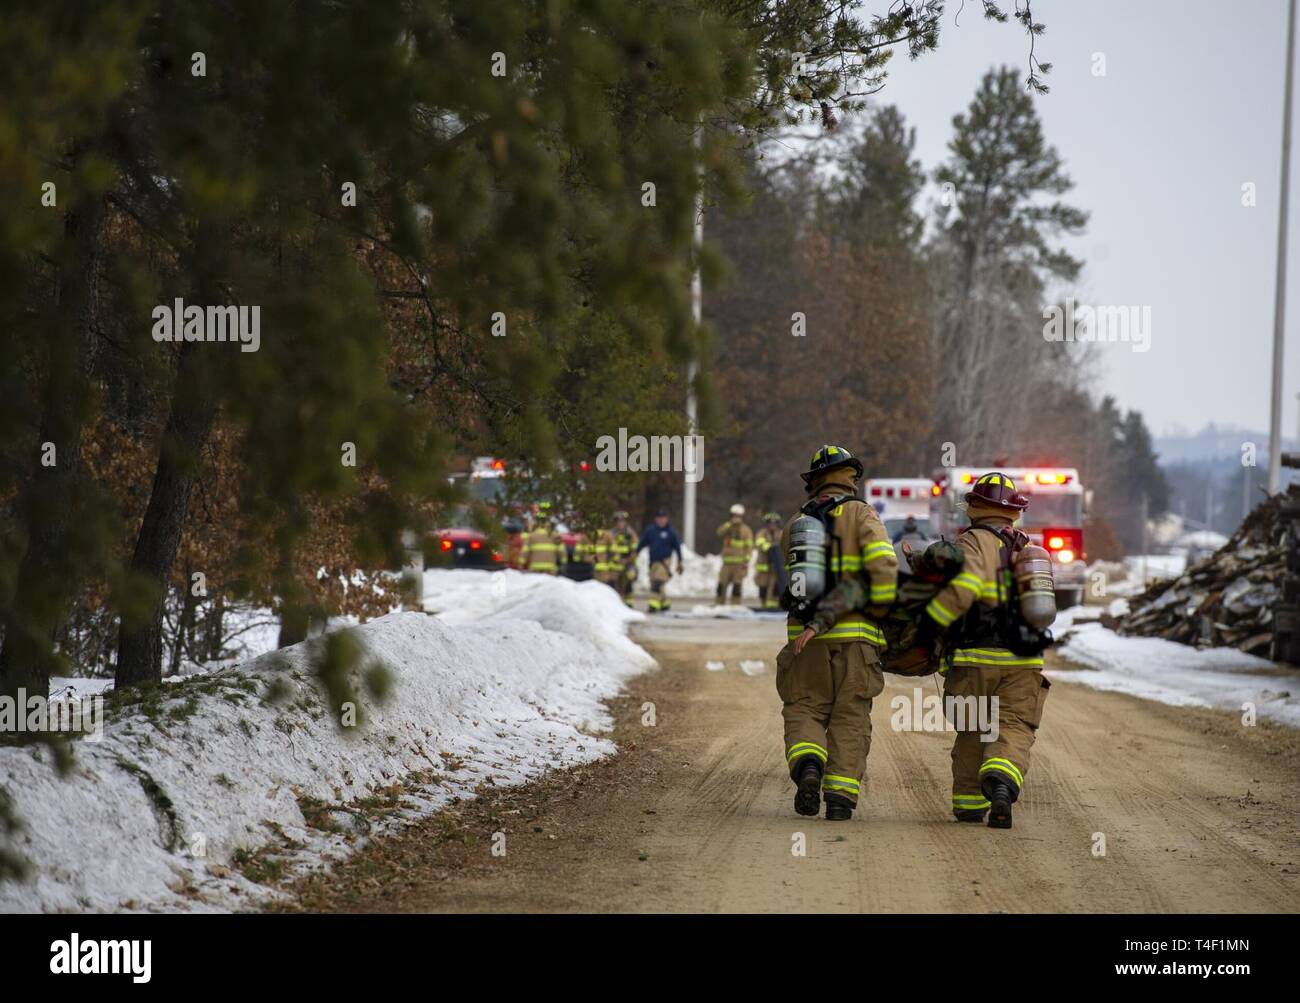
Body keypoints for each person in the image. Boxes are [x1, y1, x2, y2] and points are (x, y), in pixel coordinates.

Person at [917, 472, 1052, 830]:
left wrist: (931, 622)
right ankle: (1002, 783)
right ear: (1014, 512)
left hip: (976, 656)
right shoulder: (1030, 548)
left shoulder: (974, 541)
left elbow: (966, 588)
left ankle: (968, 804)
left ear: (975, 507)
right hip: (1025, 660)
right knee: (1013, 725)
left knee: (973, 729)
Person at [779, 445, 896, 821]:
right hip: (856, 640)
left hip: (804, 641)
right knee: (850, 715)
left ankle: (809, 765)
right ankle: (841, 799)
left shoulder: (795, 523)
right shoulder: (863, 514)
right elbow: (883, 569)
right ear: (851, 477)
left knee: (805, 708)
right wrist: (881, 611)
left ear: (813, 481)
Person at [637, 508, 683, 612]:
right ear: (656, 519)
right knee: (655, 583)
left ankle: (654, 605)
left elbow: (677, 548)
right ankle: (665, 603)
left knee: (657, 582)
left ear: (667, 519)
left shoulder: (671, 532)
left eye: (663, 518)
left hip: (665, 562)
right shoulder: (650, 531)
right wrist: (636, 553)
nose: (661, 520)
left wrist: (680, 561)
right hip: (653, 561)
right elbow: (642, 543)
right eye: (659, 518)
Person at [596, 510, 638, 606]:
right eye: (618, 521)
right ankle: (615, 603)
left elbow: (636, 550)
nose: (620, 524)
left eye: (622, 521)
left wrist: (628, 560)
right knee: (612, 583)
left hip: (628, 563)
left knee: (629, 579)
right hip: (614, 563)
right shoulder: (610, 534)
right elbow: (606, 550)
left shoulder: (631, 534)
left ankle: (629, 603)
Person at [715, 503, 753, 606]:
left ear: (742, 517)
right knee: (721, 585)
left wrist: (746, 561)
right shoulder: (727, 527)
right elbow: (719, 532)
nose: (735, 518)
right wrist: (728, 524)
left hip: (739, 565)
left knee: (737, 586)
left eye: (738, 516)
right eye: (733, 515)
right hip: (726, 564)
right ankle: (719, 604)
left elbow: (749, 547)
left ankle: (735, 605)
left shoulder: (746, 530)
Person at [520, 507, 562, 575]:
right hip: (551, 570)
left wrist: (521, 564)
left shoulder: (532, 535)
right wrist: (563, 562)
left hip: (535, 569)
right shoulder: (555, 535)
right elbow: (561, 550)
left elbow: (525, 550)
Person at [754, 511, 782, 609]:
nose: (772, 525)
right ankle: (764, 607)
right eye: (770, 523)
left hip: (776, 568)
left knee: (774, 589)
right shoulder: (762, 533)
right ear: (767, 524)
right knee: (763, 588)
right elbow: (759, 543)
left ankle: (773, 608)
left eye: (774, 523)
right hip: (764, 569)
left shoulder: (781, 534)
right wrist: (769, 546)